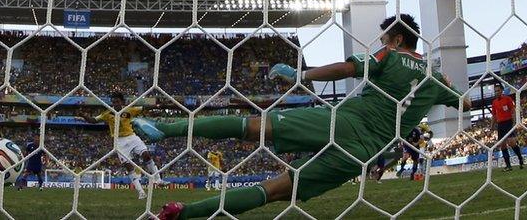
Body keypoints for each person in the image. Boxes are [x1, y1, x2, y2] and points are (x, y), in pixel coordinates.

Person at [132, 14, 471, 219]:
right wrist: (448, 88)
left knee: (254, 127)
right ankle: (182, 214)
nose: (380, 42)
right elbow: (466, 104)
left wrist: (302, 75)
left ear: (396, 39)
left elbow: (347, 68)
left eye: (383, 38)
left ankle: (166, 129)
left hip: (345, 120)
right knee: (278, 190)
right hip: (364, 152)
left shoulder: (391, 55)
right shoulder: (436, 78)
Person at [75, 92, 169, 200]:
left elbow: (144, 108)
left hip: (132, 137)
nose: (115, 104)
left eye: (117, 101)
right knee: (128, 166)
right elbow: (93, 120)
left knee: (146, 155)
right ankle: (141, 192)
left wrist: (158, 104)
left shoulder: (129, 110)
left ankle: (158, 180)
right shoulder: (108, 113)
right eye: (113, 102)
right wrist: (82, 115)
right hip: (119, 142)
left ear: (122, 102)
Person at [491, 84, 524, 171]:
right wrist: (492, 125)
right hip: (500, 125)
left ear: (502, 91)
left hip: (508, 123)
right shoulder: (494, 102)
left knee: (511, 143)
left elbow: (513, 111)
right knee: (502, 145)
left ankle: (520, 158)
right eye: (495, 91)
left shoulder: (508, 99)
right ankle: (508, 166)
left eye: (498, 90)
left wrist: (514, 123)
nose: (496, 92)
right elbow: (494, 115)